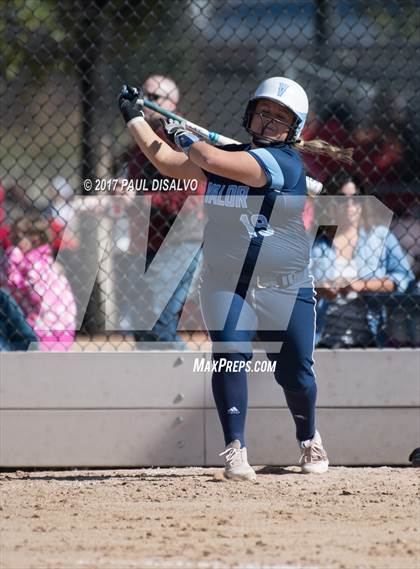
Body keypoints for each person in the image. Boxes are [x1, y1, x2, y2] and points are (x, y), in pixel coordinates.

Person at [118, 77, 352, 480]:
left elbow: (209, 159)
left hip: (285, 285)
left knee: (294, 373)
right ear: (250, 115)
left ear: (294, 128)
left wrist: (180, 132)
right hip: (228, 282)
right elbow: (170, 163)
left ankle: (308, 437)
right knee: (230, 355)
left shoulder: (283, 164)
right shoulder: (228, 156)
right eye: (264, 113)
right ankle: (236, 448)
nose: (269, 123)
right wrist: (135, 118)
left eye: (281, 118)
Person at [124, 75, 205, 347]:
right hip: (148, 243)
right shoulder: (140, 137)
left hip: (181, 240)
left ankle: (189, 380)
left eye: (154, 98)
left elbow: (189, 194)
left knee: (158, 323)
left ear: (172, 103)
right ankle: (155, 382)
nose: (144, 102)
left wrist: (139, 198)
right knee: (143, 326)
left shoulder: (180, 135)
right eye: (143, 95)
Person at [311, 172, 414, 348]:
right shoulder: (314, 244)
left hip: (371, 339)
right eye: (342, 199)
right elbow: (293, 283)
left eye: (356, 197)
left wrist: (362, 286)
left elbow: (405, 277)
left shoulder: (380, 237)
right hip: (320, 340)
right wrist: (319, 290)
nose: (350, 204)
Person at [6, 215, 77, 351]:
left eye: (18, 238)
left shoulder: (36, 263)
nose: (15, 243)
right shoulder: (41, 259)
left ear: (36, 238)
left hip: (47, 331)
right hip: (58, 331)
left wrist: (15, 274)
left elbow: (36, 296)